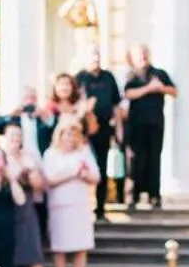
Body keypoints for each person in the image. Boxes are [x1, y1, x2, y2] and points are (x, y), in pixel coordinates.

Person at [42, 120, 100, 267]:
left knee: (81, 246)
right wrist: (73, 173)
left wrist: (85, 175)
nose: (70, 137)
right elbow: (49, 179)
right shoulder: (51, 154)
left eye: (74, 134)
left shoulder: (84, 152)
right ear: (59, 135)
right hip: (60, 206)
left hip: (80, 204)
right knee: (59, 247)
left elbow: (96, 176)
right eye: (67, 133)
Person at [121, 44, 176, 209]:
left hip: (156, 122)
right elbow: (129, 93)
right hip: (137, 123)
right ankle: (136, 195)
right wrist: (149, 88)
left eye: (145, 53)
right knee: (137, 158)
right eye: (139, 54)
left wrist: (161, 88)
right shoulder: (131, 76)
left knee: (155, 157)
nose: (142, 57)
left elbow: (174, 91)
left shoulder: (159, 73)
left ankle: (154, 195)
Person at [74, 48, 123, 221]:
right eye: (92, 56)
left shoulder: (108, 77)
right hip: (84, 131)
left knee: (101, 167)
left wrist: (118, 129)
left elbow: (116, 104)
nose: (95, 59)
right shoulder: (79, 78)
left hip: (104, 129)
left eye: (98, 56)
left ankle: (100, 208)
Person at [2, 122, 48, 267]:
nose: (15, 139)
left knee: (34, 252)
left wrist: (28, 167)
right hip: (5, 209)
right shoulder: (0, 157)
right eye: (12, 135)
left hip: (27, 210)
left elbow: (39, 186)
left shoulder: (28, 158)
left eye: (18, 136)